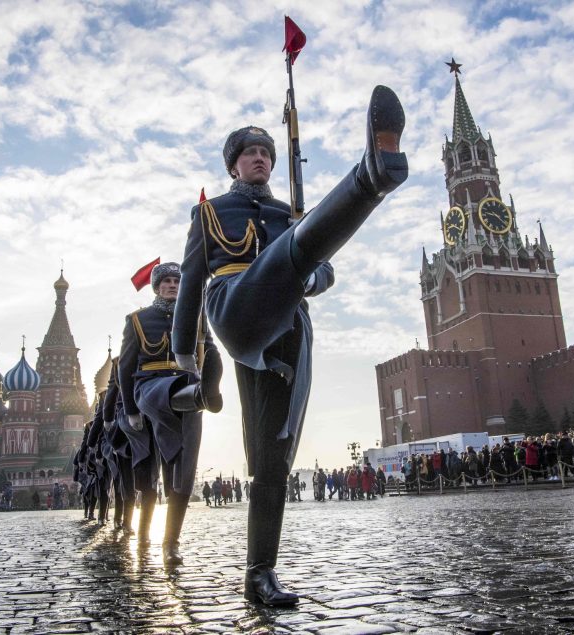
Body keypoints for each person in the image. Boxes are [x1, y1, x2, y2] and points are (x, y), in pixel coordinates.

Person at [172, 86, 405, 604]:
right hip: (235, 307)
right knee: (291, 252)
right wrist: (187, 358)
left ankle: (260, 574)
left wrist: (316, 279)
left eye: (266, 154)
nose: (260, 159)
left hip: (287, 330)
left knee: (271, 457)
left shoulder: (289, 214)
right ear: (234, 166)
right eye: (250, 153)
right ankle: (373, 173)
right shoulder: (210, 214)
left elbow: (324, 270)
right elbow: (190, 284)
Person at [119, 261, 223, 565]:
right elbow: (126, 367)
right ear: (156, 287)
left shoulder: (195, 317)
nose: (173, 285)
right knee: (177, 389)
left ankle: (170, 543)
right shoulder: (137, 320)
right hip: (149, 387)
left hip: (188, 390)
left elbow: (210, 349)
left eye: (178, 281)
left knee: (182, 469)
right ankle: (202, 394)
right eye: (166, 281)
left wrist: (212, 362)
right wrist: (130, 411)